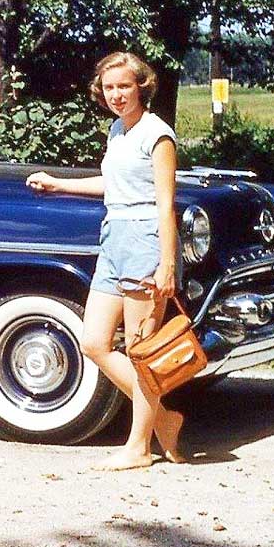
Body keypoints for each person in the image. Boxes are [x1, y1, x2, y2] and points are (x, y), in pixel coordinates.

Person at [25, 51, 186, 470]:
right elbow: (112, 185)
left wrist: (166, 264)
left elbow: (166, 205)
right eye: (110, 87)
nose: (117, 95)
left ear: (141, 87)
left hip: (145, 242)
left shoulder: (158, 135)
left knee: (139, 351)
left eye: (125, 87)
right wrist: (57, 183)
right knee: (94, 342)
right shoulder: (117, 130)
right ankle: (165, 419)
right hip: (113, 239)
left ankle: (139, 448)